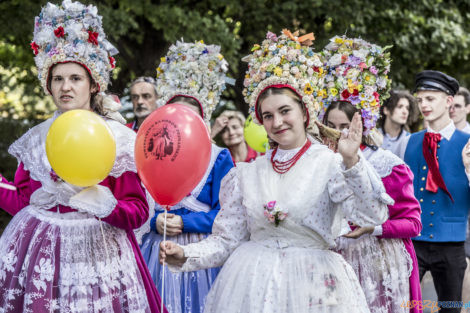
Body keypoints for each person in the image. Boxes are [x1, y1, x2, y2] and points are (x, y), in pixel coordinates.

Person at [159, 30, 391, 313]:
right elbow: (226, 239)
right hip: (252, 288)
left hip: (313, 289)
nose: (277, 122)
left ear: (305, 113)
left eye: (285, 111)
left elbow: (371, 215)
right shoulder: (247, 173)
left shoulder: (330, 164)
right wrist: (185, 253)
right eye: (267, 116)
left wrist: (352, 160)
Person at [0, 1, 166, 312]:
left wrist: (104, 205)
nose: (66, 87)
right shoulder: (37, 139)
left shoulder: (116, 137)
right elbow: (24, 201)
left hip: (100, 263)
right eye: (58, 78)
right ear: (48, 85)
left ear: (92, 85)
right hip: (44, 262)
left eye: (75, 78)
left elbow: (138, 212)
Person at [320, 36, 422, 313]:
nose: (338, 133)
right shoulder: (318, 163)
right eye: (331, 125)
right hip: (333, 264)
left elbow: (413, 224)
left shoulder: (387, 164)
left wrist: (375, 229)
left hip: (380, 264)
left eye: (345, 126)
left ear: (361, 125)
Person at [139, 40, 234, 313]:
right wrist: (156, 220)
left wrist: (186, 221)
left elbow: (228, 214)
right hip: (156, 251)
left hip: (201, 253)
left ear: (203, 122)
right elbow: (140, 205)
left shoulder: (219, 157)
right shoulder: (150, 153)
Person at [402, 70, 470, 313]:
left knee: (450, 309)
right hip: (412, 242)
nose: (423, 105)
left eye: (430, 98)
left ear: (449, 101)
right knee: (404, 306)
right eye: (420, 100)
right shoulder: (410, 141)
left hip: (451, 245)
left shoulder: (469, 142)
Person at [378, 90, 419, 158]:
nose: (405, 111)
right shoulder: (372, 136)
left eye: (407, 108)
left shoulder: (409, 140)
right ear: (386, 110)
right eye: (400, 107)